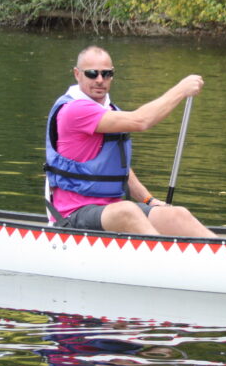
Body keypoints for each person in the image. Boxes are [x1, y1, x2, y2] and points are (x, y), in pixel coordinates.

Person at [44, 45, 214, 237]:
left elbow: (117, 167)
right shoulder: (74, 110)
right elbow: (141, 121)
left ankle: (225, 255)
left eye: (106, 74)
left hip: (111, 211)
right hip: (73, 215)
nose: (100, 80)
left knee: (176, 214)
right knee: (128, 211)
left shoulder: (109, 109)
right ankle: (166, 259)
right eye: (92, 73)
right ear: (77, 74)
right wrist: (181, 90)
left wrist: (149, 200)